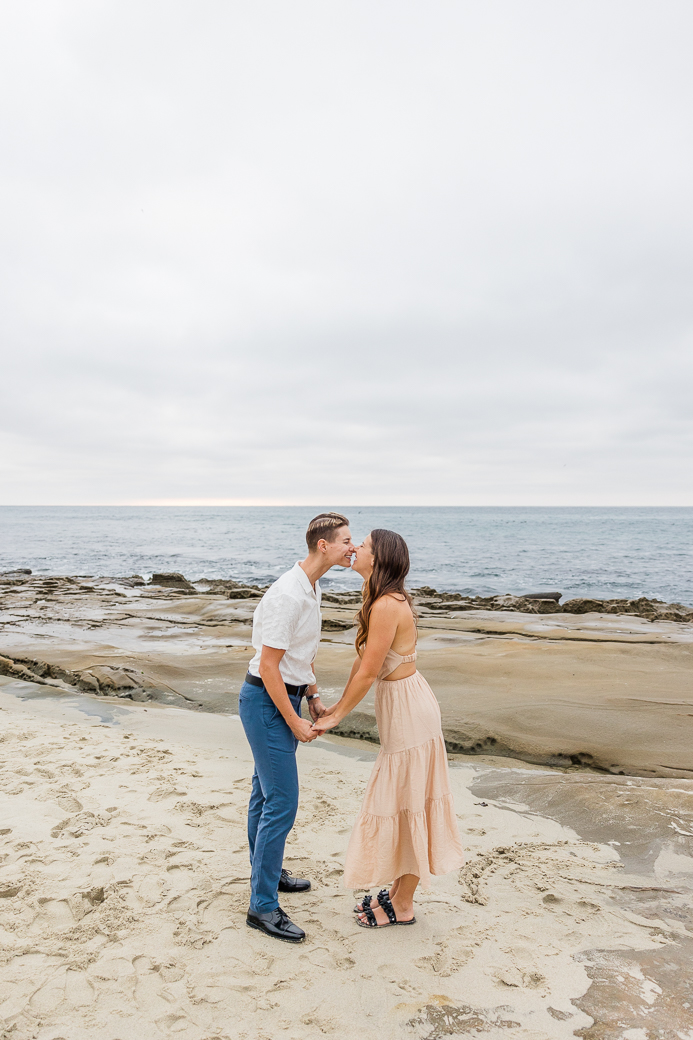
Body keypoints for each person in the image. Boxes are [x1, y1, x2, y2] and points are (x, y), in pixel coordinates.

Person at [311, 528, 465, 928]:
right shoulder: (375, 597)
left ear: (378, 560)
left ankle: (405, 904)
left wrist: (335, 717)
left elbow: (367, 674)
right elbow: (363, 665)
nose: (355, 549)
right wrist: (333, 704)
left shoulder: (386, 605)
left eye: (362, 545)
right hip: (404, 707)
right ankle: (398, 893)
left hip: (410, 714)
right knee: (404, 800)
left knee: (411, 803)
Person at [240, 512, 355, 943]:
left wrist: (312, 697)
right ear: (323, 545)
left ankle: (264, 877)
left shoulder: (312, 586)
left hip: (284, 697)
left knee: (264, 794)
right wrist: (295, 723)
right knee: (282, 802)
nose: (353, 547)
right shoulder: (288, 594)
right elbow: (269, 666)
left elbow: (298, 656)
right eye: (346, 540)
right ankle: (263, 907)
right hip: (266, 701)